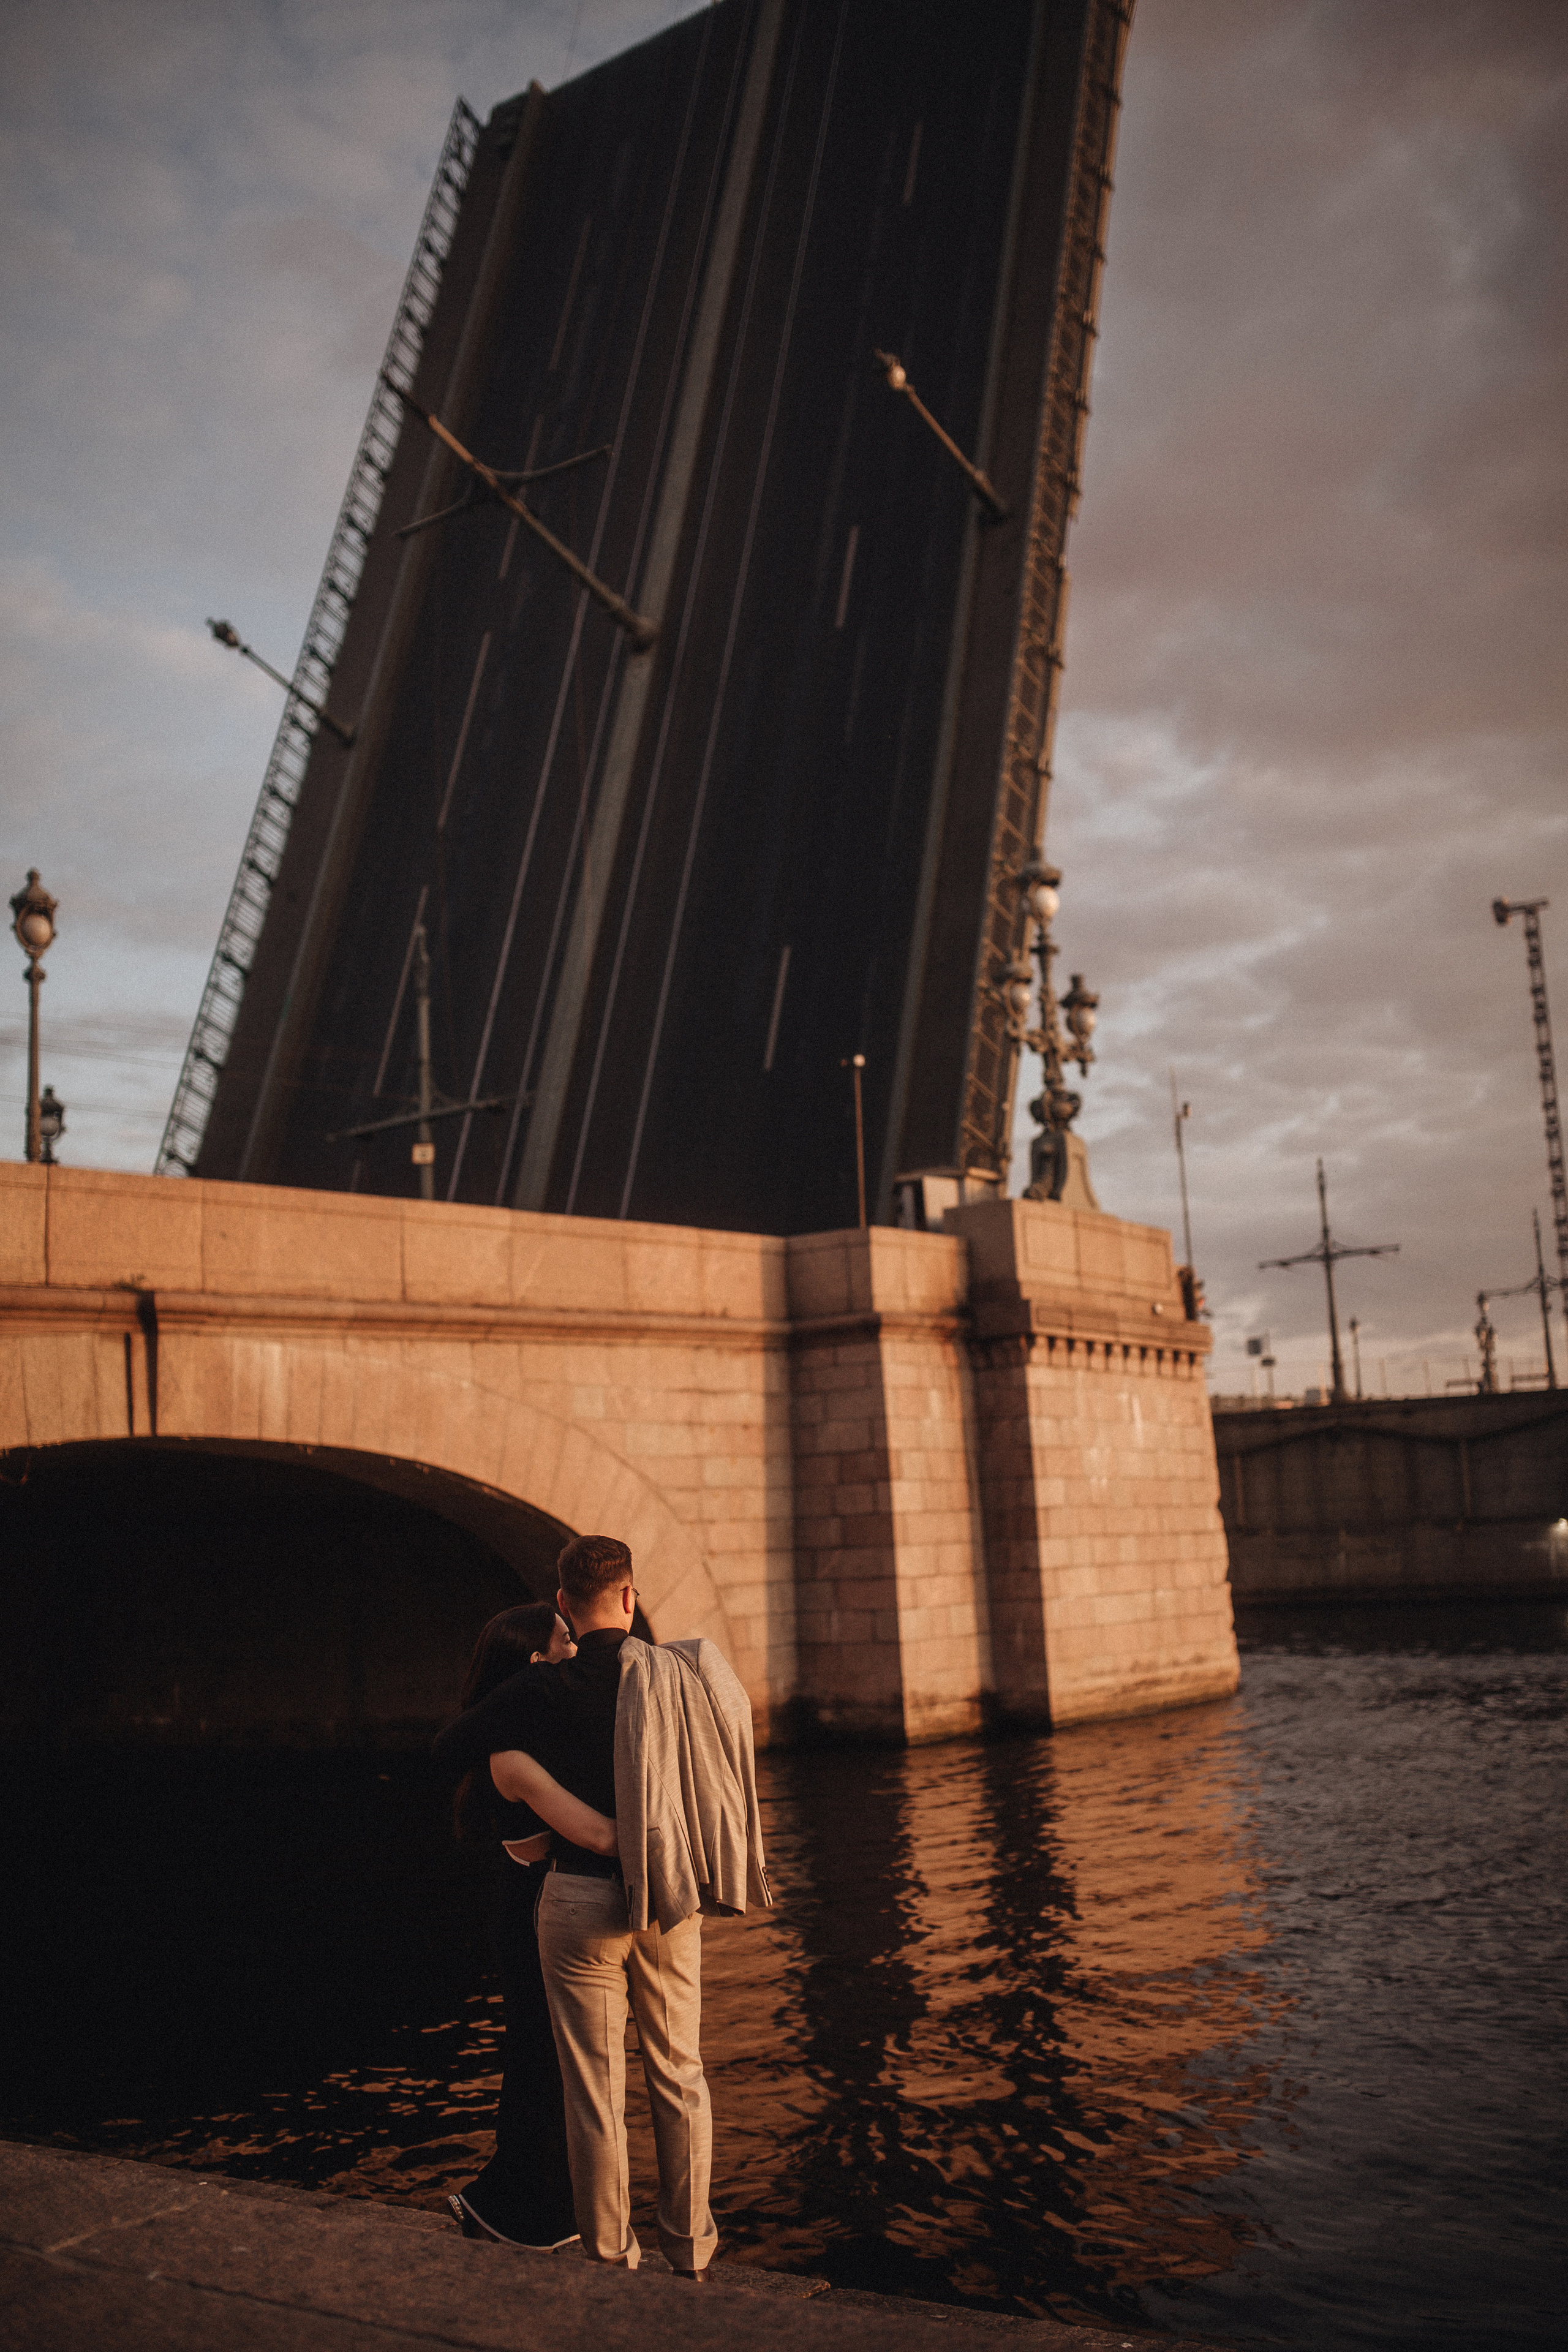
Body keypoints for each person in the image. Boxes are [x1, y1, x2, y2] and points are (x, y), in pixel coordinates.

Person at [432, 1536, 770, 2280]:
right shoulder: (672, 1673)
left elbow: (451, 1745)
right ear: (630, 1597)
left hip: (578, 1902)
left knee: (592, 2089)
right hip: (669, 1898)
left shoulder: (541, 1689)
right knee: (680, 2071)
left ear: (562, 1605)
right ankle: (691, 2251)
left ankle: (612, 2258)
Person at [444, 1600, 617, 2250]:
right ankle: (510, 2210)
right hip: (529, 1917)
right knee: (538, 2065)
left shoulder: (531, 1741)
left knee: (550, 2066)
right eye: (564, 1643)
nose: (576, 1653)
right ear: (534, 1664)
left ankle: (533, 2206)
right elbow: (598, 1835)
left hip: (545, 1910)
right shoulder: (510, 1755)